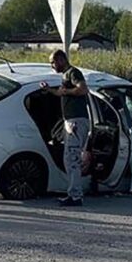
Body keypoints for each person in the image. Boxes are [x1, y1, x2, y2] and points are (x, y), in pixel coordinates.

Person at [42, 49, 89, 207]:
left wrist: (67, 91)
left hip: (76, 121)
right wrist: (49, 90)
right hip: (70, 121)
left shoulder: (73, 73)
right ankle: (73, 193)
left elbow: (83, 89)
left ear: (61, 60)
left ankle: (75, 196)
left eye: (53, 62)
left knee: (72, 159)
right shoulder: (65, 76)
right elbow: (61, 93)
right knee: (69, 159)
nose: (52, 66)